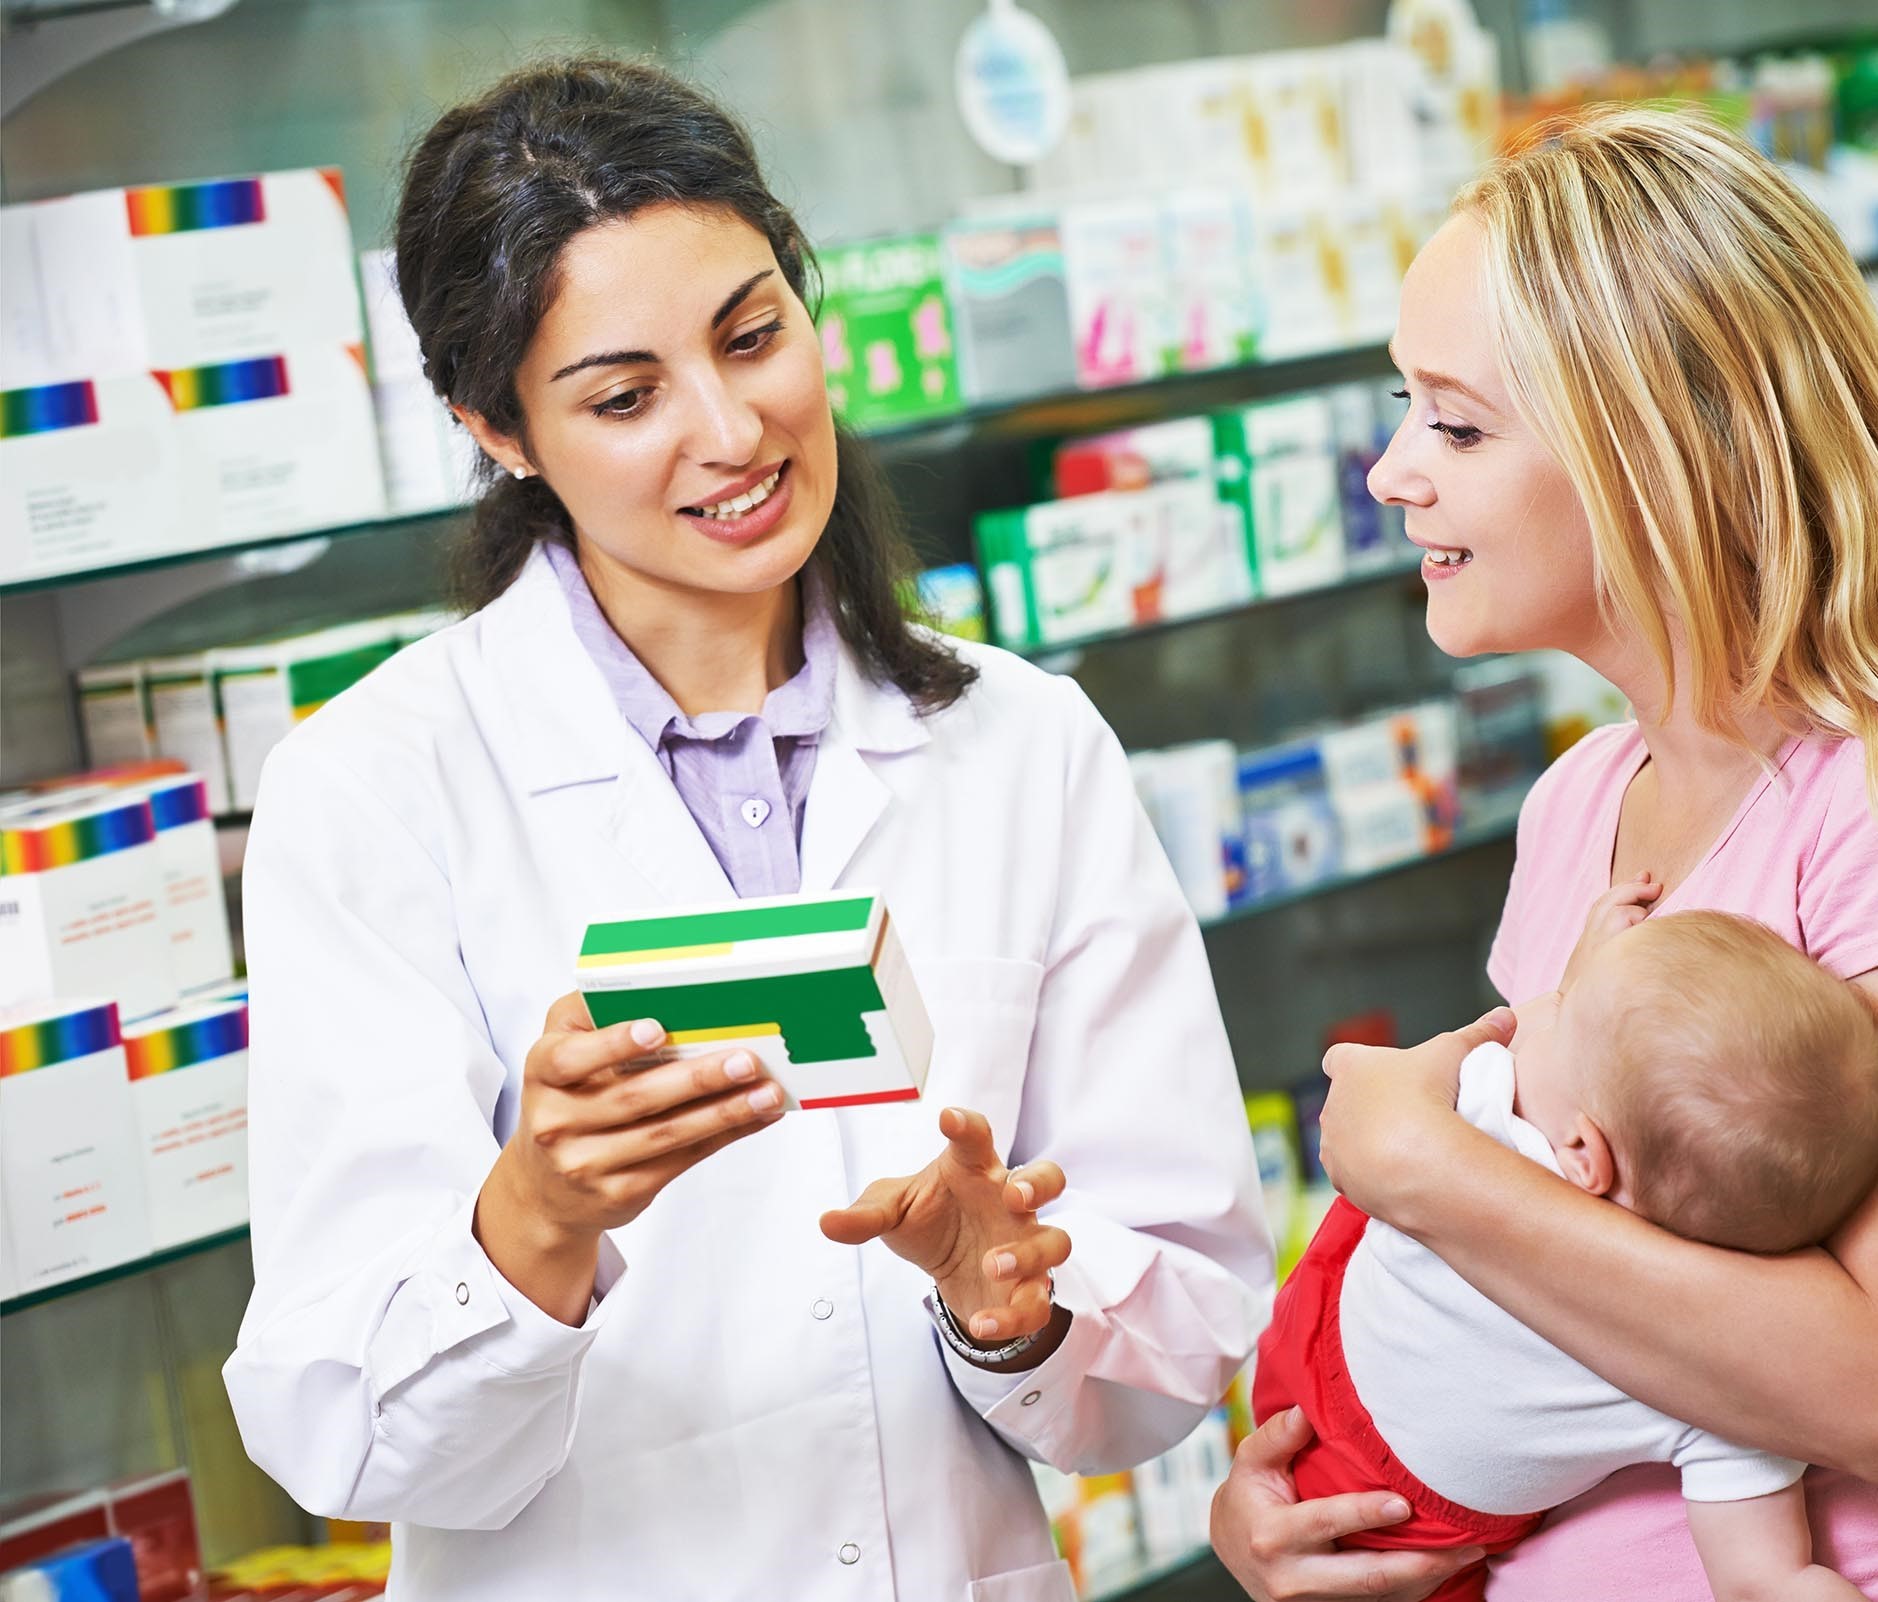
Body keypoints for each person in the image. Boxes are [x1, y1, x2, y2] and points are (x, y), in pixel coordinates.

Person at [221, 56, 1273, 1602]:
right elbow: (345, 1431)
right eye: (626, 395)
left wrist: (1017, 1301)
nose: (731, 430)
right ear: (495, 428)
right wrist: (534, 1217)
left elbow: (1183, 1330)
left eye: (754, 333)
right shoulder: (375, 784)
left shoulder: (1017, 741)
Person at [1211, 104, 1878, 1602]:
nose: (1390, 473)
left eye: (1453, 423)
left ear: (1657, 450)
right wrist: (1339, 1492)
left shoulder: (1851, 812)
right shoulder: (1583, 803)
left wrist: (1407, 1158)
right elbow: (1535, 1281)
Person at [1254, 889, 1878, 1602]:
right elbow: (1761, 1576)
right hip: (1421, 1509)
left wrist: (1581, 979)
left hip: (1346, 1414)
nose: (1544, 1004)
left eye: (1565, 1006)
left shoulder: (1490, 1107)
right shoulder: (1726, 1397)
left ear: (1585, 1150)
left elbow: (1385, 1091)